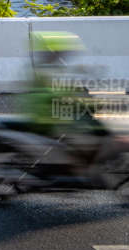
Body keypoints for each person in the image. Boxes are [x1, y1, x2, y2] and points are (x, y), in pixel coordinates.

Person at [19, 30, 103, 170]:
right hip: (47, 120)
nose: (63, 55)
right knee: (87, 132)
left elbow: (61, 89)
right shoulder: (42, 71)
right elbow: (57, 94)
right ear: (52, 52)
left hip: (49, 115)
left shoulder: (46, 68)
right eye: (60, 52)